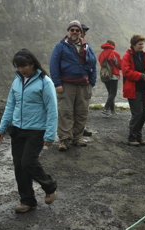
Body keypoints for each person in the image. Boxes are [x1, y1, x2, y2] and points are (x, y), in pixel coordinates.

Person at [0, 49, 58, 213]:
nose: (21, 70)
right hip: (17, 129)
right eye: (18, 66)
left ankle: (49, 186)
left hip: (36, 130)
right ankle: (27, 201)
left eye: (24, 66)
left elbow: (52, 110)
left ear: (32, 64)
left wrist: (50, 134)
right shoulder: (17, 81)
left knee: (28, 162)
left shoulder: (45, 82)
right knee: (19, 166)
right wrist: (2, 127)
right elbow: (10, 105)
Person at [50, 20, 97, 151]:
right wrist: (57, 83)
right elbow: (54, 65)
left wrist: (92, 82)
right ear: (68, 31)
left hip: (83, 85)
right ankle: (64, 139)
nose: (75, 32)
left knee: (81, 112)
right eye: (72, 30)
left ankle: (78, 138)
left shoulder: (87, 47)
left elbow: (93, 64)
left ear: (81, 33)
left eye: (77, 30)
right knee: (65, 112)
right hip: (66, 85)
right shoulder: (60, 46)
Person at [121, 34, 145, 146]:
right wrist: (142, 76)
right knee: (137, 113)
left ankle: (138, 136)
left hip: (144, 89)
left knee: (144, 113)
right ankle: (132, 137)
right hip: (133, 89)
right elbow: (126, 72)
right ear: (133, 45)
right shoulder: (127, 56)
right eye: (139, 44)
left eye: (142, 44)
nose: (142, 46)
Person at [98, 40, 122, 116]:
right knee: (113, 93)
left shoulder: (101, 53)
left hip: (105, 75)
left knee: (110, 93)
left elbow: (100, 62)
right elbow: (119, 65)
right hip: (114, 75)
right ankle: (105, 108)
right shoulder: (114, 53)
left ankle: (112, 111)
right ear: (112, 45)